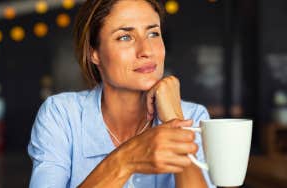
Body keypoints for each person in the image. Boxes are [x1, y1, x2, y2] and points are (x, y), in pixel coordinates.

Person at [28, 0, 215, 187]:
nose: (146, 51)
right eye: (125, 37)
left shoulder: (192, 117)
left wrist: (175, 122)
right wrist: (127, 158)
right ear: (94, 52)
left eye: (153, 33)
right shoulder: (61, 115)